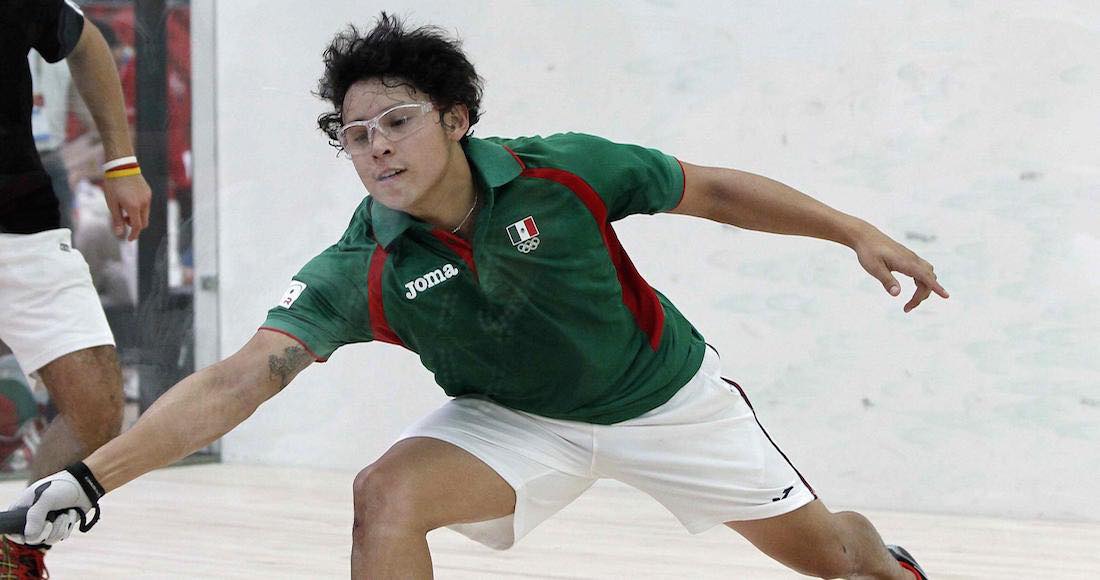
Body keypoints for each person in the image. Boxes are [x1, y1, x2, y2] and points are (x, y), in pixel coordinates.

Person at [8, 13, 944, 580]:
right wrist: (90, 481)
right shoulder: (361, 265)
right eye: (355, 134)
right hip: (513, 419)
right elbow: (240, 378)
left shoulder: (561, 173)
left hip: (667, 403)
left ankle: (884, 562)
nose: (377, 146)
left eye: (398, 121)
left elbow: (714, 191)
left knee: (835, 560)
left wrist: (853, 230)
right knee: (385, 495)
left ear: (456, 119)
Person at [1, 0, 152, 576]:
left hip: (25, 224)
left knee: (96, 411)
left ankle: (17, 551)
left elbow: (86, 42)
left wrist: (121, 162)